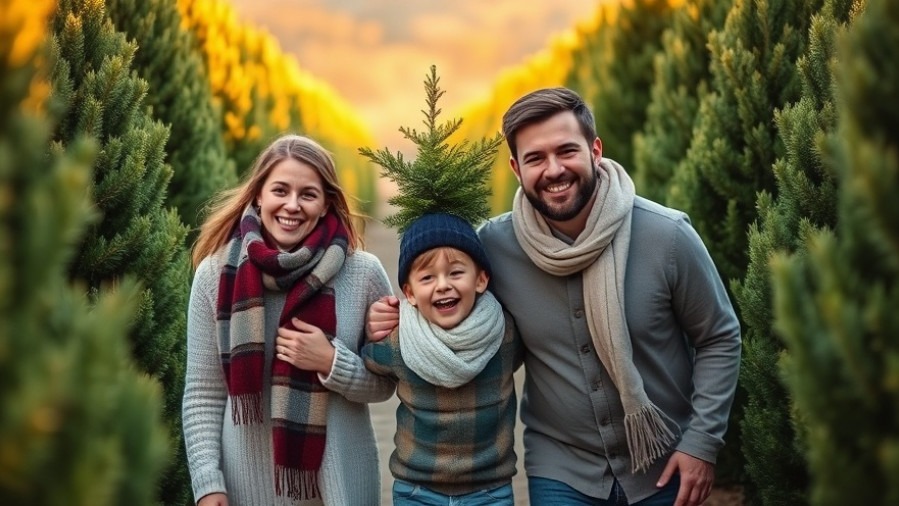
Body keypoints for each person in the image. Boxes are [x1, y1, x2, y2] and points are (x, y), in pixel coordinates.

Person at [367, 87, 741, 506]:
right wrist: (397, 319)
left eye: (567, 151)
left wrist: (701, 442)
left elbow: (719, 337)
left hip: (664, 462)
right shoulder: (497, 248)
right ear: (515, 167)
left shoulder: (667, 236)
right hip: (561, 470)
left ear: (595, 150)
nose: (554, 169)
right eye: (535, 158)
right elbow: (447, 295)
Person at [184, 134, 394, 506]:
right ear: (258, 195)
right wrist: (207, 483)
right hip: (246, 486)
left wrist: (332, 361)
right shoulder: (216, 274)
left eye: (308, 194)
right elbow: (203, 392)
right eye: (280, 190)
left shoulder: (363, 273)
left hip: (338, 486)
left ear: (327, 203)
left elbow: (385, 384)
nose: (292, 205)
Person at [362, 213, 522, 505]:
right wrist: (371, 324)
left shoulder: (505, 334)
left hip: (490, 489)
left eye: (456, 273)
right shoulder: (399, 342)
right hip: (416, 489)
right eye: (427, 278)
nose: (442, 285)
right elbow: (367, 358)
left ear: (481, 278)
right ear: (409, 293)